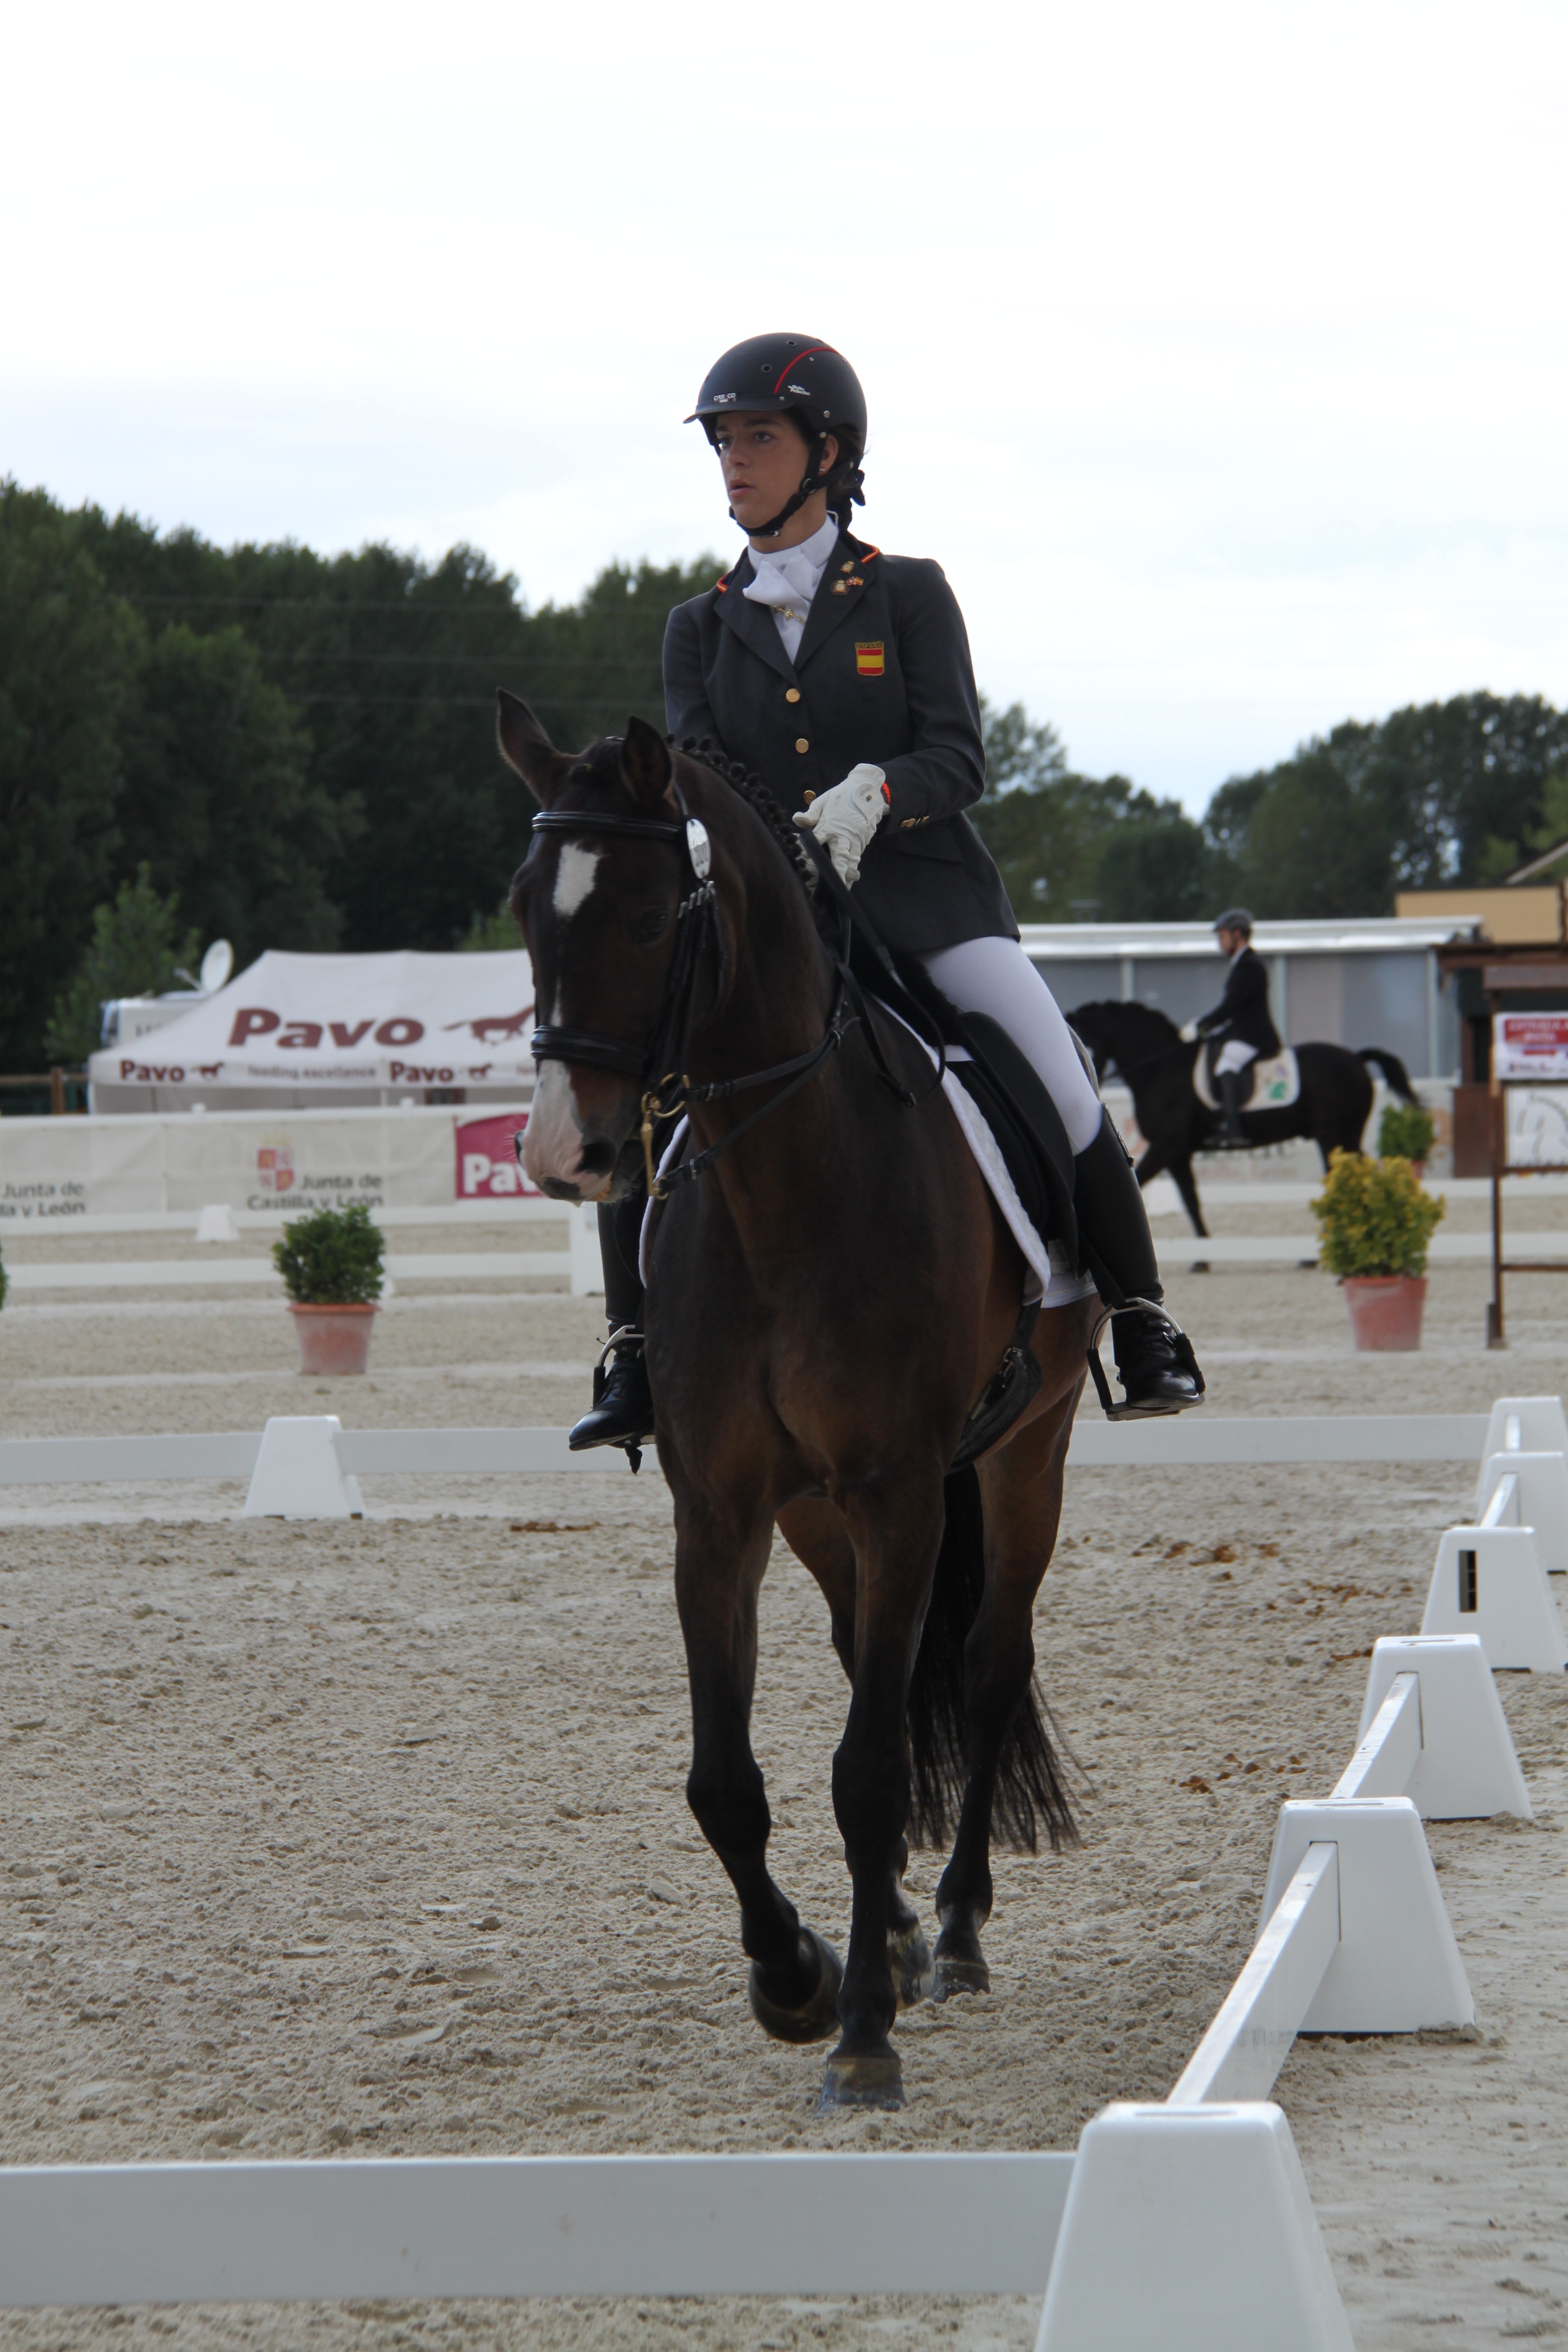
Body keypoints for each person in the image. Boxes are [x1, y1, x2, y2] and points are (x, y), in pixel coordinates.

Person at [570, 332, 1205, 1455]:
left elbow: (959, 757)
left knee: (1057, 1076)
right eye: (722, 442)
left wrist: (877, 793)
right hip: (779, 931)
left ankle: (1142, 1316)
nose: (733, 460)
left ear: (826, 453)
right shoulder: (697, 627)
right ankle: (631, 1347)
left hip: (929, 905)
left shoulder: (906, 593)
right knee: (657, 1093)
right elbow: (698, 781)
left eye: (757, 437)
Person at [1183, 909, 1281, 1144]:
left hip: (1254, 1036)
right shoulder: (1242, 964)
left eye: (1223, 936)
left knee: (1226, 1064)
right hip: (1242, 1032)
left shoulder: (1249, 966)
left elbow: (1231, 1006)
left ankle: (1234, 1129)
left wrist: (1202, 1026)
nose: (1219, 942)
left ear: (1238, 935)